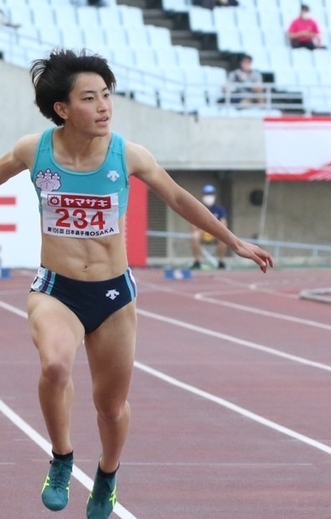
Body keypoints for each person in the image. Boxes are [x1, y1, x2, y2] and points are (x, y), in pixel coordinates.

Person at [0, 49, 273, 519]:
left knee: (111, 407)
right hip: (56, 289)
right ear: (63, 109)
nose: (105, 106)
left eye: (107, 95)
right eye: (91, 98)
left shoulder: (129, 155)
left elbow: (180, 198)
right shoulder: (34, 150)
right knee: (54, 367)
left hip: (112, 296)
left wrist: (232, 241)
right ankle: (62, 459)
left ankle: (107, 474)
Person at [191, 184, 229, 269]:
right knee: (195, 236)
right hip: (202, 232)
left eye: (210, 194)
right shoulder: (198, 208)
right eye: (207, 194)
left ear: (214, 196)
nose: (209, 197)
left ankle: (220, 261)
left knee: (224, 238)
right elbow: (193, 226)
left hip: (215, 233)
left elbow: (224, 224)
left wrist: (215, 230)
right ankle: (197, 261)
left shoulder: (219, 209)